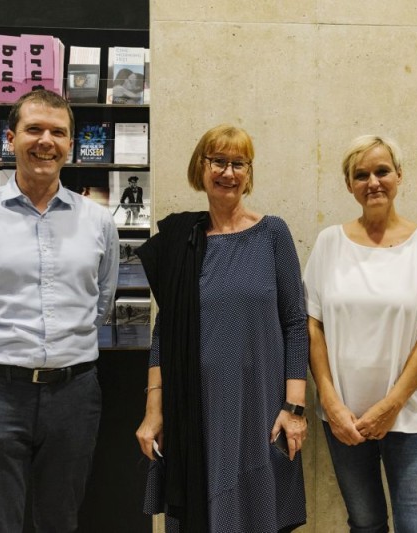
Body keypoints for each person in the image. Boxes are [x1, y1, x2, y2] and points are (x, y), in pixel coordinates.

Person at [0, 89, 119, 532]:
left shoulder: (97, 222)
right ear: (11, 138)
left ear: (70, 145)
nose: (46, 141)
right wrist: (2, 354)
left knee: (60, 519)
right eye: (34, 129)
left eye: (58, 132)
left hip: (73, 395)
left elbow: (102, 304)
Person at [134, 124, 308, 532]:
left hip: (261, 405)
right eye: (218, 161)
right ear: (202, 166)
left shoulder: (273, 233)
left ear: (249, 173)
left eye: (238, 163)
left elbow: (296, 323)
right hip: (197, 405)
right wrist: (153, 412)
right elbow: (165, 332)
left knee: (257, 512)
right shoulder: (182, 241)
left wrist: (294, 409)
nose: (228, 172)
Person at [303, 135, 417, 532]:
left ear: (399, 175)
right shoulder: (329, 244)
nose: (373, 182)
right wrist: (330, 401)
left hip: (409, 416)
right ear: (349, 184)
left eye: (382, 171)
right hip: (344, 419)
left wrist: (391, 405)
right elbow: (312, 325)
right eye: (361, 175)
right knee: (365, 523)